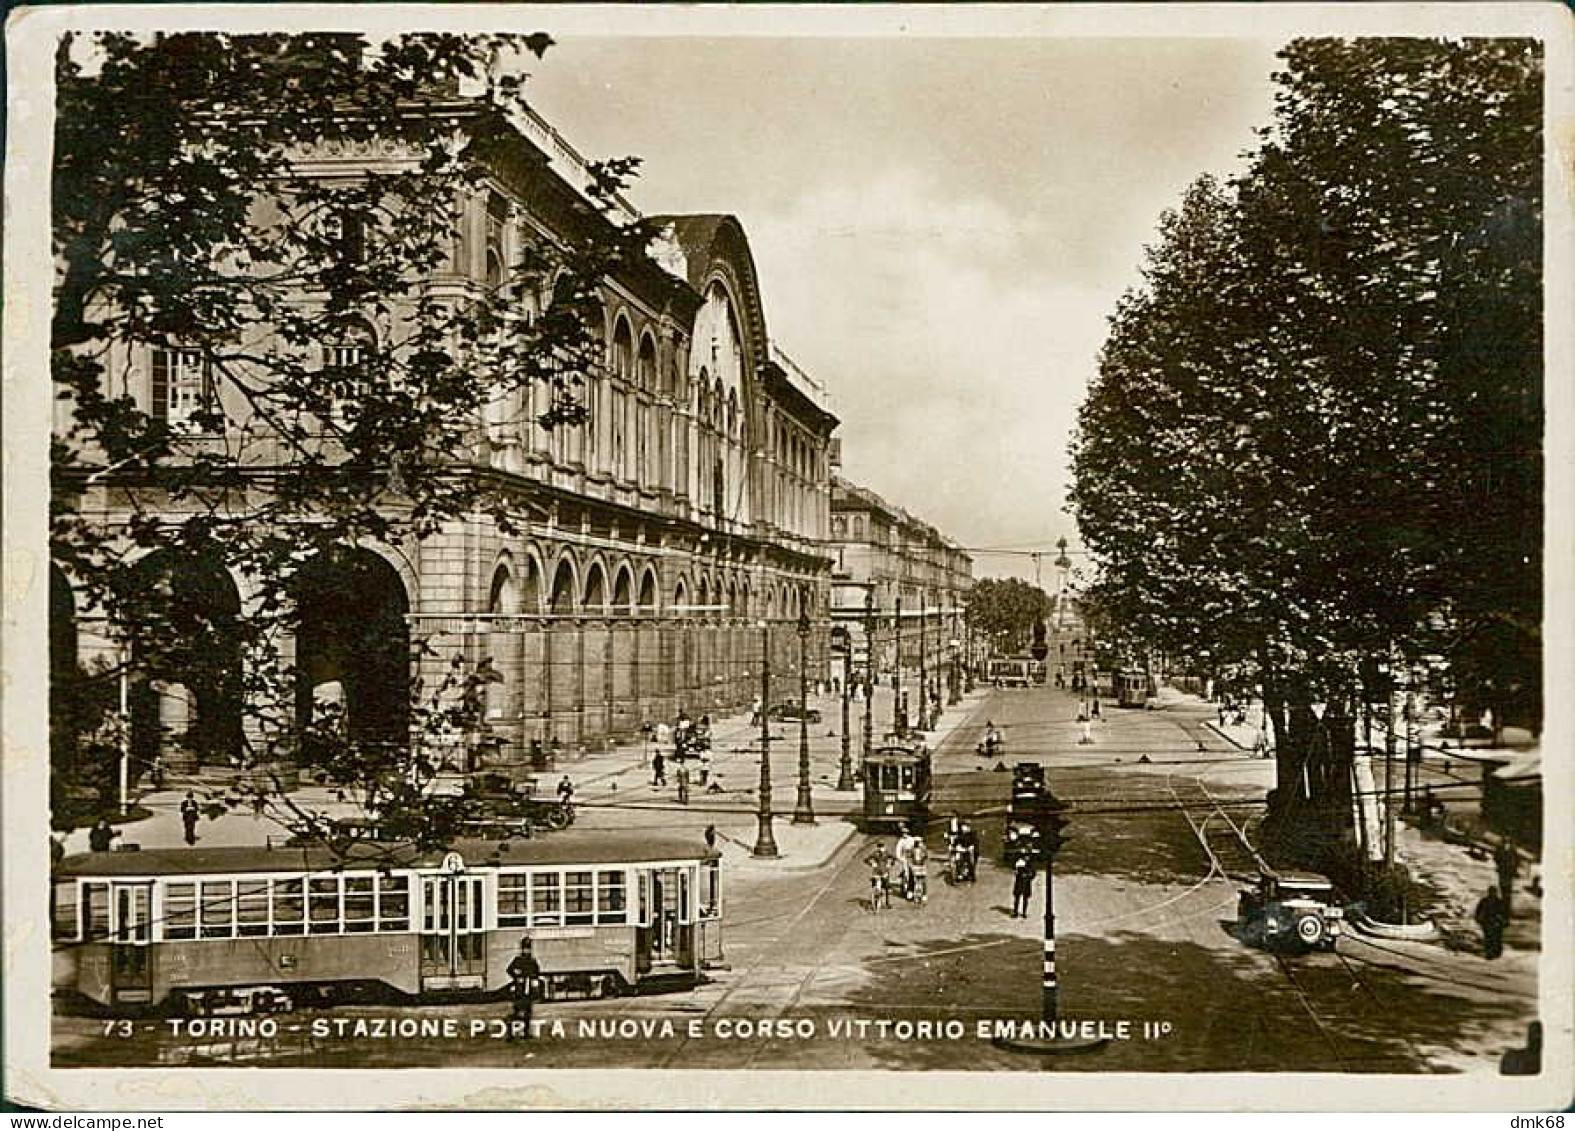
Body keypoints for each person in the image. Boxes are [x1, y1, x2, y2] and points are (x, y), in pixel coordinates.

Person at [506, 938, 542, 1036]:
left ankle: (526, 1032)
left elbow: (537, 972)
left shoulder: (532, 961)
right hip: (520, 989)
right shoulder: (518, 960)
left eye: (528, 949)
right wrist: (517, 976)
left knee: (528, 1012)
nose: (527, 951)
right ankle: (510, 1030)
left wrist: (534, 981)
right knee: (518, 1011)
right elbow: (509, 970)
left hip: (528, 988)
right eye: (525, 949)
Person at [1475, 884, 1509, 960]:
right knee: (1488, 938)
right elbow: (1479, 910)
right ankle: (1489, 953)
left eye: (1493, 891)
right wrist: (1479, 919)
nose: (1492, 893)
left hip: (1497, 923)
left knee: (1496, 938)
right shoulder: (1484, 901)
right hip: (1487, 923)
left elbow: (1504, 913)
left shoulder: (1499, 902)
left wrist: (1503, 921)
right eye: (1491, 891)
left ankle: (1497, 953)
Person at [865, 843, 894, 912]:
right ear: (877, 848)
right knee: (874, 884)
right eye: (879, 847)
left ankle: (887, 902)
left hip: (885, 871)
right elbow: (866, 859)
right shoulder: (875, 853)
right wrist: (872, 864)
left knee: (887, 886)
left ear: (884, 847)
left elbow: (893, 858)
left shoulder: (887, 853)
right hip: (876, 871)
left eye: (882, 847)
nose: (881, 848)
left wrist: (890, 864)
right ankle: (874, 897)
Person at [894, 829, 919, 900]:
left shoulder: (912, 839)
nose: (904, 834)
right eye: (903, 833)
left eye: (905, 833)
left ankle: (918, 890)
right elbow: (898, 851)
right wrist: (901, 858)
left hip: (913, 858)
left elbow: (916, 847)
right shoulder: (901, 841)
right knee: (907, 874)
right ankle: (909, 890)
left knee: (916, 873)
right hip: (905, 859)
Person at [1495, 839, 1519, 914]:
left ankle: (1506, 907)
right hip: (1503, 871)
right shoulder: (1500, 848)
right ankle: (1504, 906)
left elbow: (1517, 860)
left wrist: (1514, 869)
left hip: (1508, 872)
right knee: (1503, 888)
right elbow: (1496, 857)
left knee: (1507, 890)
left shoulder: (1512, 850)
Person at [1012, 854, 1035, 918]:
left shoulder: (1031, 865)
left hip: (1026, 883)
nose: (1027, 858)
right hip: (1019, 882)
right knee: (1017, 898)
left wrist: (1028, 877)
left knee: (1025, 899)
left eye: (1028, 857)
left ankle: (1024, 913)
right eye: (1025, 857)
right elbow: (1016, 872)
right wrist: (1019, 874)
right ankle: (1015, 912)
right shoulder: (1019, 863)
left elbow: (1033, 874)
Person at [909, 838, 929, 905]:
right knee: (913, 878)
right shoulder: (912, 849)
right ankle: (911, 891)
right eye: (916, 842)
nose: (918, 843)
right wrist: (911, 865)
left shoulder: (923, 848)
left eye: (919, 842)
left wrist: (925, 864)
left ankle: (924, 894)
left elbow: (926, 857)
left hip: (922, 865)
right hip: (915, 865)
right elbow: (910, 857)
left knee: (923, 880)